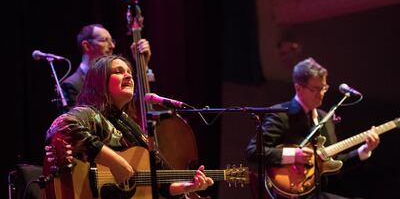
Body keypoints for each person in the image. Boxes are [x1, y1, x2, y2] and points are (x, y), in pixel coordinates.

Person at [44, 55, 214, 199]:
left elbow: (161, 182)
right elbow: (62, 127)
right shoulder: (90, 113)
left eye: (129, 73)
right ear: (100, 81)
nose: (128, 76)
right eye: (118, 71)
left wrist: (187, 187)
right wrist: (115, 162)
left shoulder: (132, 127)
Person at [246, 57, 380, 199]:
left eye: (324, 88)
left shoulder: (325, 118)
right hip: (291, 193)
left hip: (317, 192)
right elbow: (253, 151)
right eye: (315, 89)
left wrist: (364, 150)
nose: (321, 93)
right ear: (298, 88)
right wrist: (293, 155)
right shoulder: (281, 114)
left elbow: (333, 162)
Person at [60, 23, 151, 112]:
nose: (112, 46)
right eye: (104, 40)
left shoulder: (112, 78)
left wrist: (143, 64)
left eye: (112, 41)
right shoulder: (71, 84)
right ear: (86, 46)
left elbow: (134, 109)